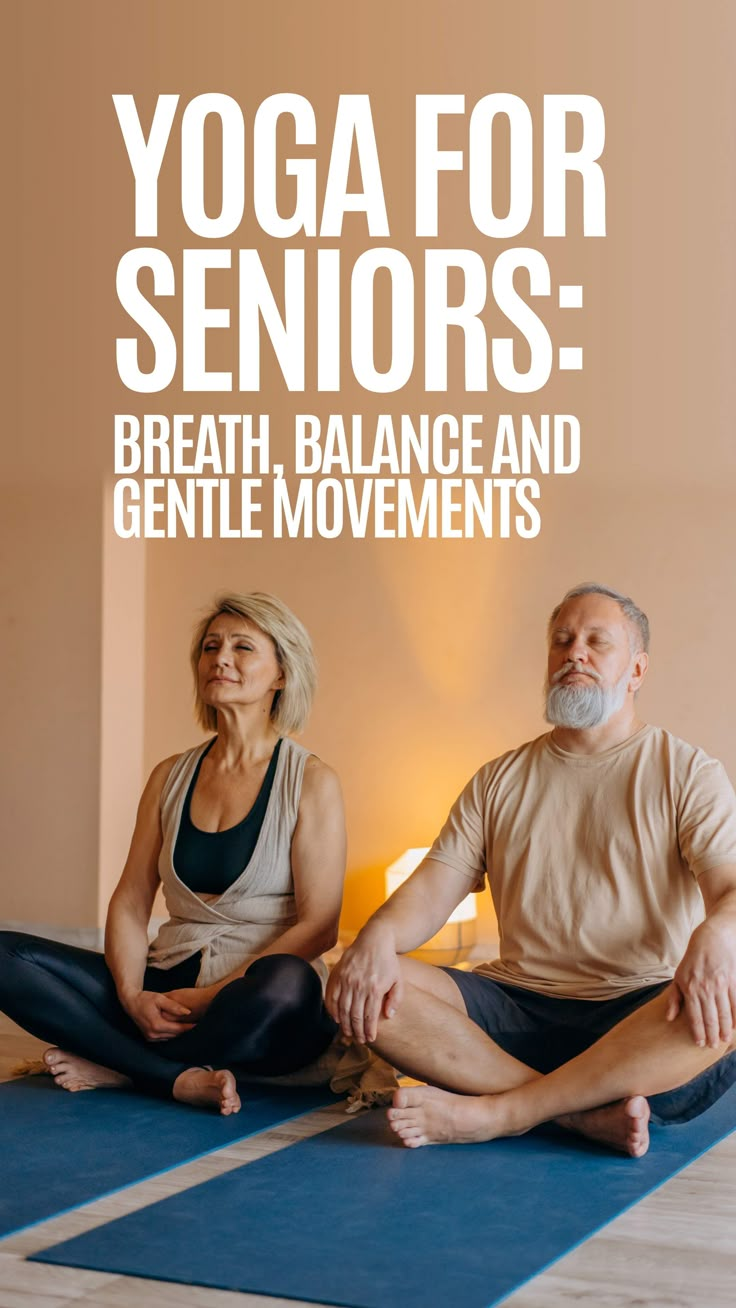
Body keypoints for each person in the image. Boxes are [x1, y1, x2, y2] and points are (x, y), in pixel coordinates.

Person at [326, 582, 736, 1157]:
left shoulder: (687, 771)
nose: (575, 653)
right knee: (362, 980)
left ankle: (501, 1110)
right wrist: (373, 940)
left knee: (729, 998)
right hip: (515, 1005)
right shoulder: (499, 779)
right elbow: (428, 894)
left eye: (598, 641)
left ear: (637, 670)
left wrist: (716, 932)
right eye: (562, 641)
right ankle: (573, 1115)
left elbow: (730, 890)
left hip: (637, 1014)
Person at [0, 592, 345, 1114]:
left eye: (242, 647)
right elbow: (132, 901)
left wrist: (210, 997)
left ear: (281, 674)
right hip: (171, 978)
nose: (220, 658)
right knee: (6, 956)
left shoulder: (312, 781)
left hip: (256, 1002)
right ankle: (172, 1075)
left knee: (285, 984)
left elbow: (320, 926)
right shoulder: (170, 775)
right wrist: (133, 994)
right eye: (211, 647)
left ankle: (125, 1066)